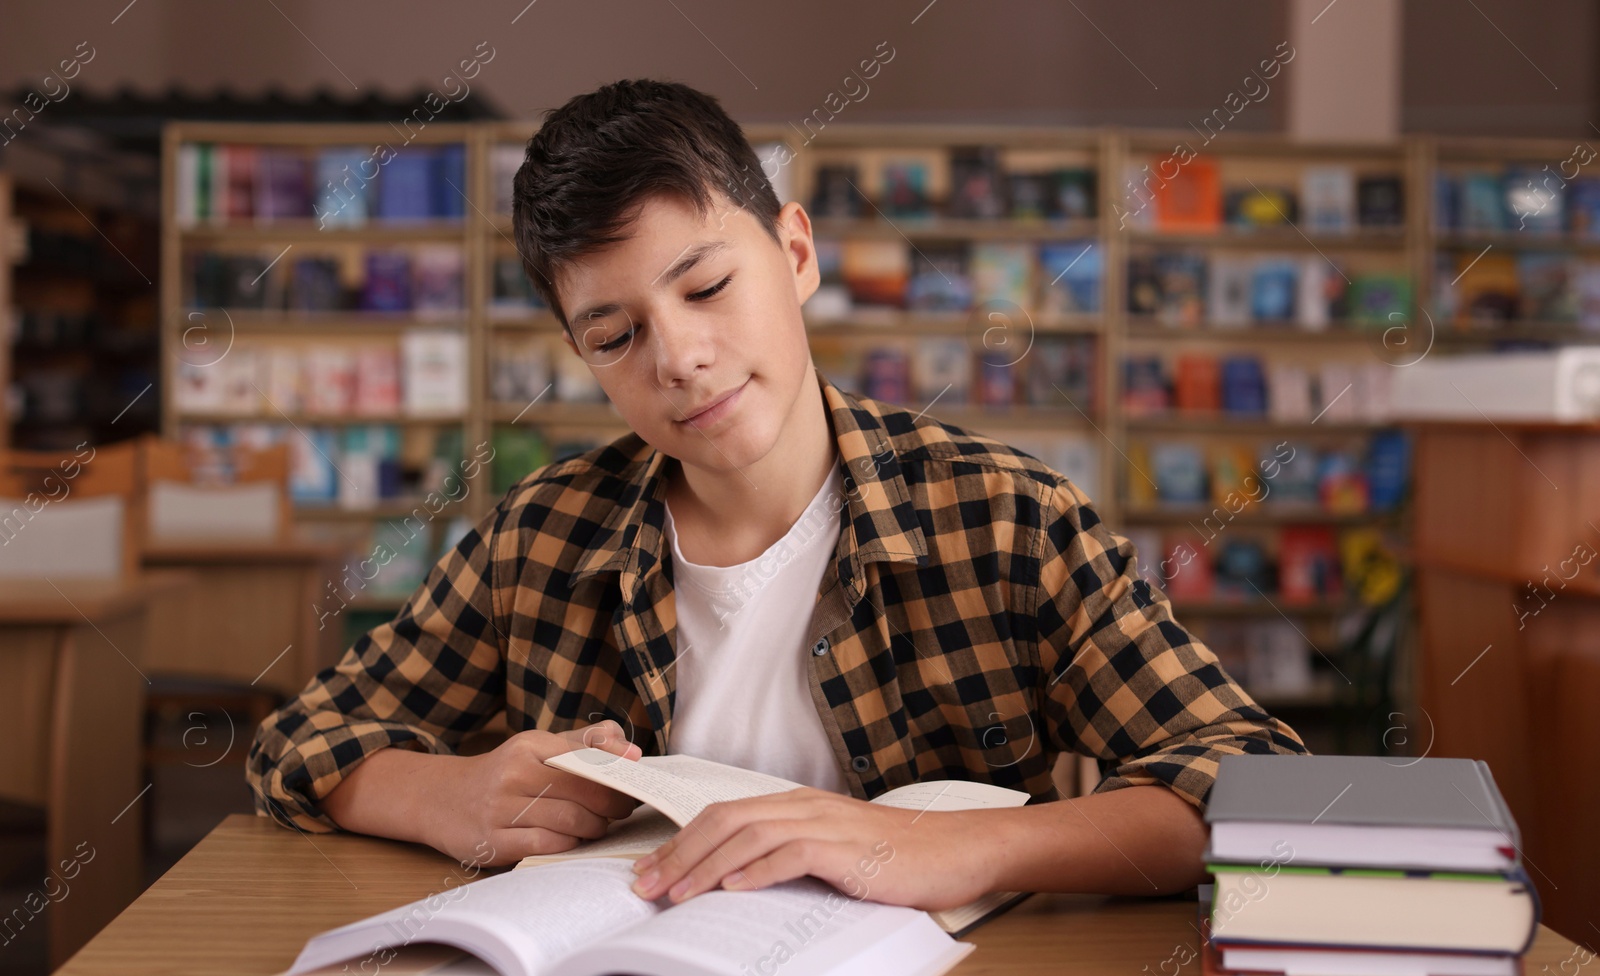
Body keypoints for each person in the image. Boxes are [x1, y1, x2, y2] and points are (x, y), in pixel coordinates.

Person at [248, 79, 1307, 913]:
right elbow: (302, 738)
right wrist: (446, 796)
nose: (679, 357)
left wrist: (953, 845)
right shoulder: (537, 538)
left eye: (707, 287)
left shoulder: (1009, 519)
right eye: (615, 336)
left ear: (795, 253)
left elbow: (1252, 783)